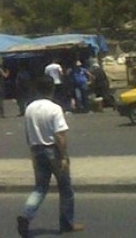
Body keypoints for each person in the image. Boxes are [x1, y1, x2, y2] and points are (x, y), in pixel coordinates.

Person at [17, 75, 83, 237]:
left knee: (40, 188)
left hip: (37, 149)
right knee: (66, 189)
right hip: (53, 151)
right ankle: (67, 223)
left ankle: (26, 215)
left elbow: (28, 134)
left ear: (37, 89)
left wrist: (32, 153)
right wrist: (64, 156)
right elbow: (60, 135)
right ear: (52, 89)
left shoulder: (29, 108)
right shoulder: (54, 108)